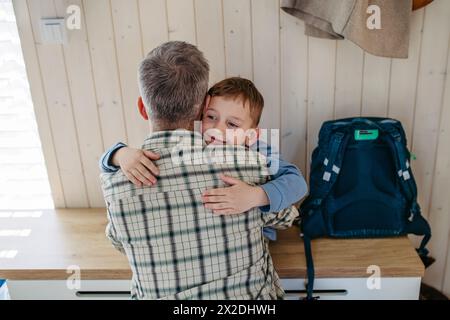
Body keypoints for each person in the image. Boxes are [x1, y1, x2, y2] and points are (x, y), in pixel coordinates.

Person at [100, 41, 299, 300]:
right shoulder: (249, 166)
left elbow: (117, 240)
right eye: (213, 118)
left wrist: (116, 154)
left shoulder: (117, 181)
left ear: (142, 107)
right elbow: (288, 216)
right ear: (203, 108)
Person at [100, 77, 308, 241]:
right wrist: (119, 154)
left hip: (255, 234)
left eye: (232, 124)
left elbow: (298, 183)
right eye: (211, 117)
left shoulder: (259, 151)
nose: (217, 129)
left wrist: (255, 196)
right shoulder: (195, 144)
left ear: (251, 135)